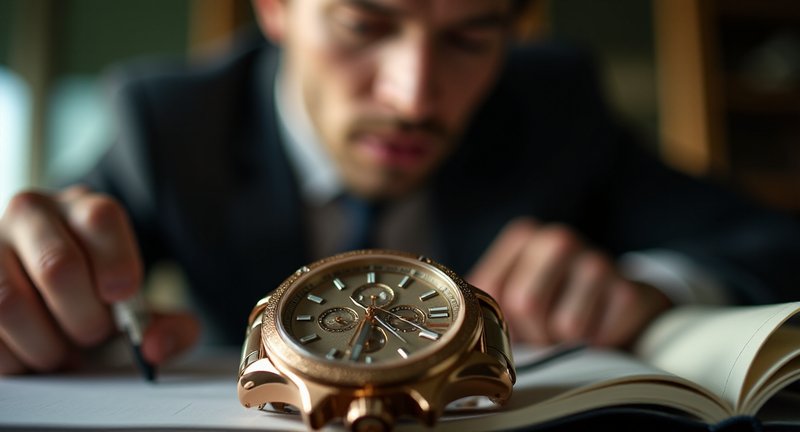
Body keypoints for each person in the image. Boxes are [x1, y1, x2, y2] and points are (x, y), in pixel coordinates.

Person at [1, 0, 799, 375]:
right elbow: (63, 250)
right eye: (365, 25)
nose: (415, 96)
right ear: (276, 8)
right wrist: (39, 289)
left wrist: (649, 286)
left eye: (471, 36)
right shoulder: (169, 123)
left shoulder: (557, 103)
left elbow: (770, 241)